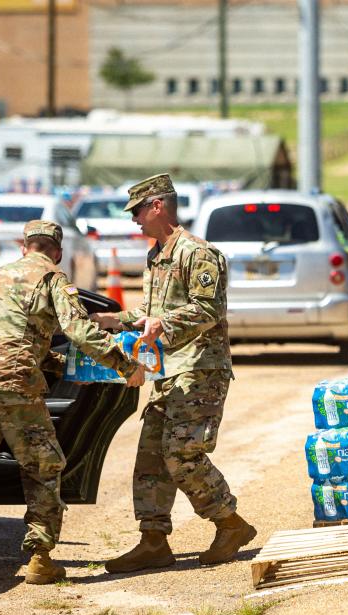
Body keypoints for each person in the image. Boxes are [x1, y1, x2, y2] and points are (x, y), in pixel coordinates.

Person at [0, 221, 146, 585]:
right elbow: (79, 331)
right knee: (43, 467)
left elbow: (8, 335)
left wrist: (58, 364)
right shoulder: (53, 279)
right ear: (56, 251)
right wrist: (125, 365)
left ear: (23, 246)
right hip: (16, 387)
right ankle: (41, 559)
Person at [91, 173, 256, 573]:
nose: (134, 220)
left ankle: (230, 523)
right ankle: (153, 541)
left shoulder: (198, 253)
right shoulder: (156, 254)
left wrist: (162, 327)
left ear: (157, 206)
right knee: (150, 454)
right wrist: (116, 319)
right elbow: (153, 315)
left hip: (200, 368)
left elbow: (207, 309)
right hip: (169, 372)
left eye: (137, 211)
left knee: (181, 453)